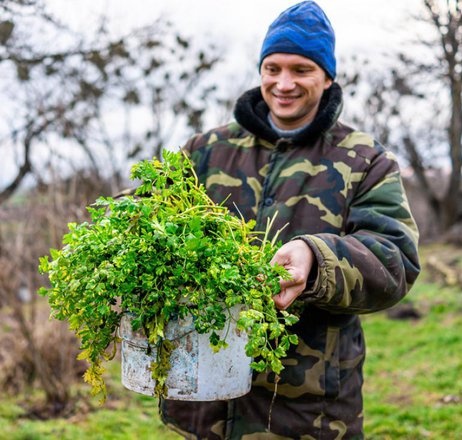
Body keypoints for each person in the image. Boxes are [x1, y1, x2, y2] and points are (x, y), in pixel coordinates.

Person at [159, 1, 421, 438]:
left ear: (328, 77)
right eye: (272, 67)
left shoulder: (365, 161)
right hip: (202, 403)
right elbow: (144, 206)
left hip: (305, 408)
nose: (284, 83)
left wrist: (315, 258)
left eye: (301, 69)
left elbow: (395, 259)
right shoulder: (206, 151)